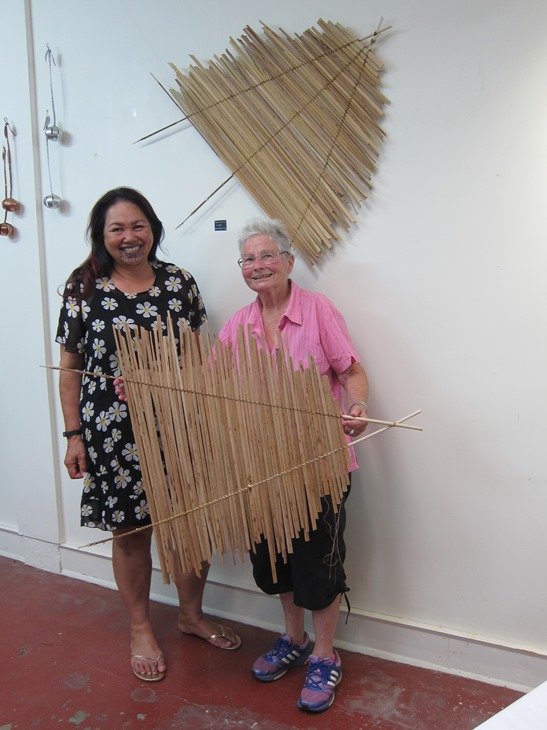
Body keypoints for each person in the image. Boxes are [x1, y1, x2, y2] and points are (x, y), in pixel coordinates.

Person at [56, 187, 241, 683]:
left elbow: (200, 356)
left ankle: (191, 615)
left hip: (182, 421)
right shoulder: (84, 287)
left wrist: (179, 386)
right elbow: (70, 368)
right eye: (116, 228)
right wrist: (74, 435)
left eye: (137, 226)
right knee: (131, 531)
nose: (129, 237)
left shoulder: (179, 282)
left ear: (153, 229)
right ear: (101, 236)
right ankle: (140, 627)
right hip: (113, 430)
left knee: (191, 523)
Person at [218, 217, 369, 713]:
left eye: (267, 255)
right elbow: (211, 385)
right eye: (248, 259)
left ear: (288, 261)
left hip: (318, 466)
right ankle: (294, 639)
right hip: (261, 466)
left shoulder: (318, 310)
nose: (257, 265)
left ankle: (324, 654)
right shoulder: (237, 325)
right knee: (275, 559)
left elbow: (351, 370)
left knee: (318, 565)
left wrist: (357, 406)